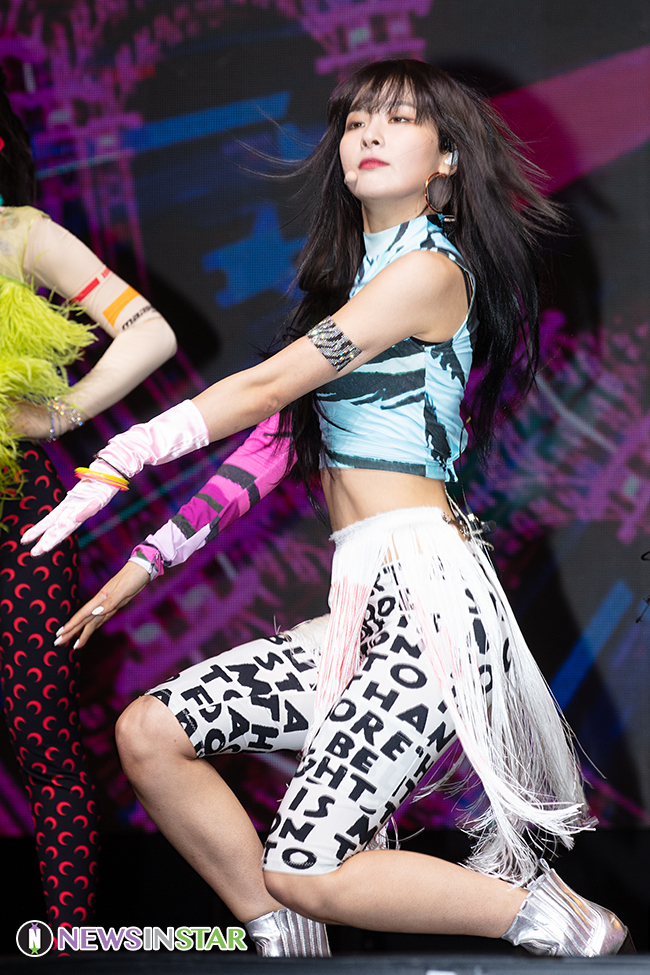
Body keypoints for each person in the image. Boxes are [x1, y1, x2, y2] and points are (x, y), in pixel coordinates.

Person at [24, 60, 631, 957]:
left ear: (448, 159)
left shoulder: (428, 271)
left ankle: (552, 914)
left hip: (430, 610)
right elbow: (266, 449)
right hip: (362, 611)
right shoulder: (351, 293)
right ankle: (287, 938)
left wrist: (119, 456)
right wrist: (138, 568)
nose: (370, 134)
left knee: (307, 862)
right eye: (355, 122)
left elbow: (267, 385)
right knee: (150, 733)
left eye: (401, 120)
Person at [0, 68, 177, 934]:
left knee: (41, 733)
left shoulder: (22, 235)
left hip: (17, 518)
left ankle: (68, 943)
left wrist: (61, 412)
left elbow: (151, 329)